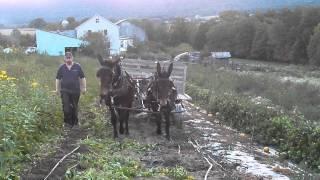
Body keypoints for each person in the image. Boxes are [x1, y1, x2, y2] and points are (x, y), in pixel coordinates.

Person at [55, 52, 86, 128]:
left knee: (74, 106)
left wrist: (84, 88)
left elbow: (82, 77)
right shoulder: (61, 67)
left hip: (75, 90)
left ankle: (75, 123)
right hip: (65, 90)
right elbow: (58, 79)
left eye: (70, 58)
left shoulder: (77, 66)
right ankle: (67, 123)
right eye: (67, 58)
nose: (68, 59)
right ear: (65, 59)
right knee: (66, 107)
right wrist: (57, 89)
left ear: (72, 58)